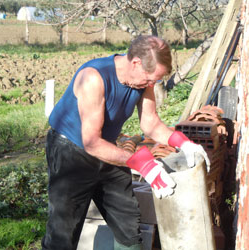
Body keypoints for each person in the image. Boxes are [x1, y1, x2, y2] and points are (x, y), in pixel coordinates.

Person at [41, 35, 210, 250]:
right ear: (136, 62)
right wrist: (143, 164)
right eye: (150, 79)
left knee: (128, 223)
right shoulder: (94, 78)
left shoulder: (142, 80)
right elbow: (91, 143)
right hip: (71, 153)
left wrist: (184, 143)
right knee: (63, 232)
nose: (152, 85)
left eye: (155, 81)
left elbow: (150, 124)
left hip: (108, 148)